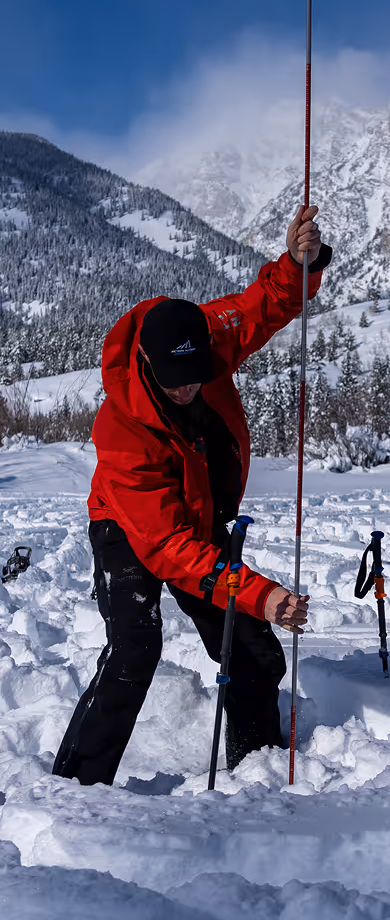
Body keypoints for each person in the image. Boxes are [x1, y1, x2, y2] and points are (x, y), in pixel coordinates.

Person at [53, 205, 330, 785]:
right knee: (134, 652)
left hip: (197, 521)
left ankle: (255, 775)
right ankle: (75, 788)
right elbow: (167, 548)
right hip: (133, 530)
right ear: (149, 366)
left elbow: (262, 306)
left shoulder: (198, 339)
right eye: (176, 380)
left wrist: (299, 266)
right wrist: (261, 593)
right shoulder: (122, 431)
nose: (189, 388)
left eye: (198, 376)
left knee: (255, 653)